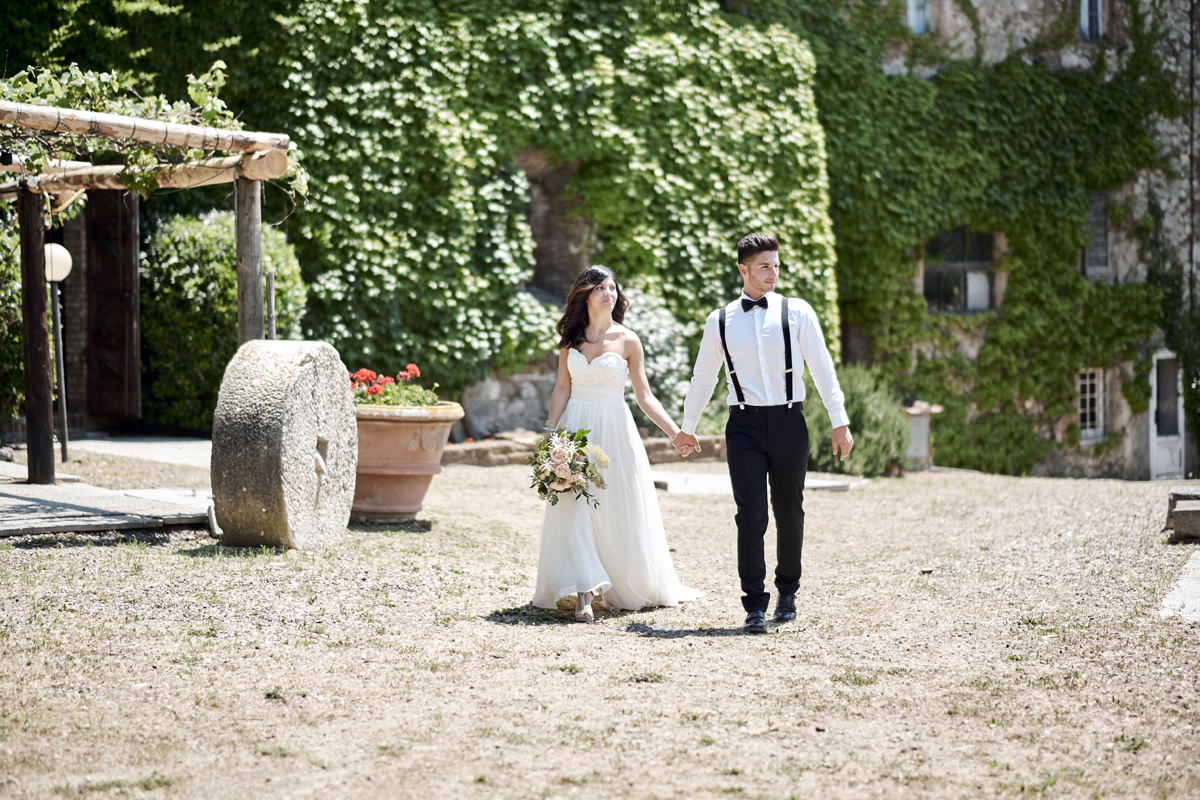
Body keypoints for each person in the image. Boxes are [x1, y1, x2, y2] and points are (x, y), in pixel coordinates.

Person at [673, 233, 853, 634]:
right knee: (750, 515)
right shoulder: (720, 321)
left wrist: (839, 420)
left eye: (776, 264)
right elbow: (702, 380)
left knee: (790, 510)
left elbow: (823, 369)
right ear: (743, 270)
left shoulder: (798, 312)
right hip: (744, 426)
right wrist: (687, 428)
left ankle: (788, 592)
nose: (773, 273)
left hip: (790, 421)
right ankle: (754, 604)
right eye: (764, 266)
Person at [532, 265, 701, 622]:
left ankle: (616, 580)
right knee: (574, 506)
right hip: (575, 430)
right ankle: (584, 594)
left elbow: (645, 396)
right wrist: (551, 434)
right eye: (601, 288)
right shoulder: (570, 339)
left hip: (615, 431)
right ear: (586, 295)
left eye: (612, 288)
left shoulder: (628, 340)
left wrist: (675, 432)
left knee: (613, 506)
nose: (609, 293)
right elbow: (563, 387)